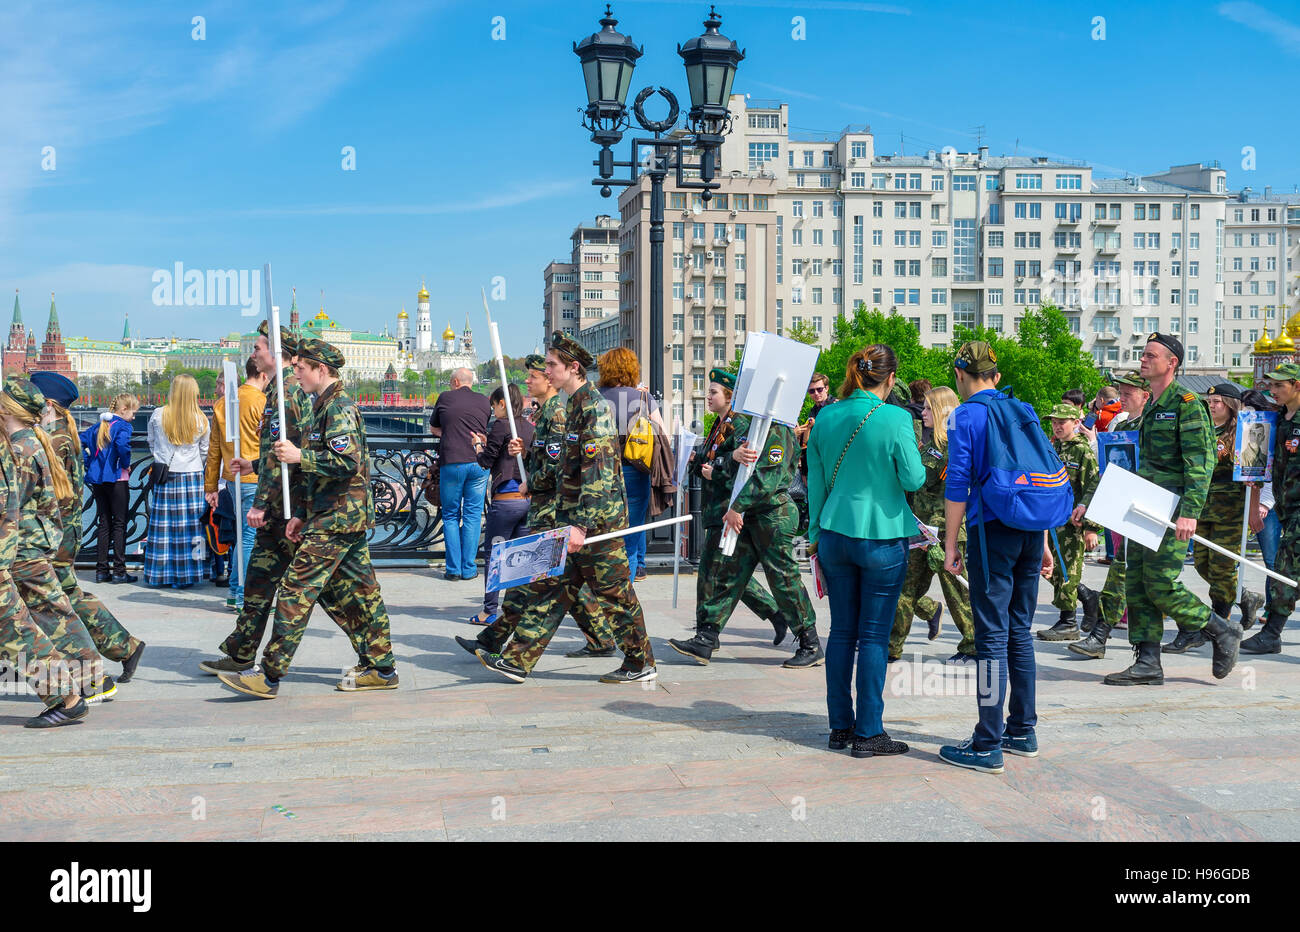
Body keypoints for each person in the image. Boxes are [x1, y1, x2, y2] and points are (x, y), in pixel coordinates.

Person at [216, 338, 398, 698]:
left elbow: (347, 462)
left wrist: (300, 456)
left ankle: (268, 675)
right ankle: (382, 667)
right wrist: (300, 513)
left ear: (322, 370)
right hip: (333, 514)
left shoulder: (339, 408)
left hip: (339, 517)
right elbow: (320, 470)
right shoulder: (321, 406)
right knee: (362, 594)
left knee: (294, 592)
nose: (295, 373)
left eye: (302, 368)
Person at [475, 331, 655, 685]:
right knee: (549, 588)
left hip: (597, 525)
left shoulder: (593, 409)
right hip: (573, 519)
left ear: (573, 368)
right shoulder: (573, 406)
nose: (547, 371)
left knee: (616, 595)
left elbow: (597, 474)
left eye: (552, 365)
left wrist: (582, 526)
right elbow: (568, 466)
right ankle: (516, 660)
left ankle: (640, 662)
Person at [200, 324, 368, 675]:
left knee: (318, 593)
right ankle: (242, 650)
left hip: (296, 509)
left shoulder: (289, 394)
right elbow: (281, 453)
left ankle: (374, 660)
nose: (254, 353)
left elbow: (296, 456)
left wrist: (261, 503)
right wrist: (254, 463)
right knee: (260, 582)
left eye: (259, 347)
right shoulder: (284, 391)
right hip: (295, 507)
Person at [939, 341, 1055, 774]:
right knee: (1019, 633)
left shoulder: (965, 415)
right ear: (997, 376)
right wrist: (1043, 539)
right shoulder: (1021, 408)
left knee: (990, 638)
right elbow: (1037, 474)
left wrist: (951, 544)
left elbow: (958, 485)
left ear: (959, 375)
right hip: (1029, 527)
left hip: (992, 532)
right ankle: (1022, 730)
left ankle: (987, 743)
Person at [1103, 333, 1241, 686]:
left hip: (1170, 507)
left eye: (1151, 355)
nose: (1143, 360)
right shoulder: (1152, 404)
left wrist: (1190, 512)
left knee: (1161, 584)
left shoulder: (1187, 403)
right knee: (1136, 583)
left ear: (1172, 363)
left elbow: (1201, 461)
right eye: (1143, 354)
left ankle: (1221, 629)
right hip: (1143, 503)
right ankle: (1148, 660)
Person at [455, 354, 615, 659]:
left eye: (534, 376)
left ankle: (507, 649)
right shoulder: (543, 413)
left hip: (552, 510)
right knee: (557, 583)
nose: (527, 382)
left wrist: (532, 482)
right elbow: (545, 460)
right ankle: (599, 638)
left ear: (549, 379)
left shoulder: (556, 414)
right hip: (543, 509)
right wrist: (525, 454)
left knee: (534, 582)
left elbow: (558, 468)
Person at [806, 345, 923, 758]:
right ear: (890, 380)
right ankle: (869, 731)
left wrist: (815, 533)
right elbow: (914, 477)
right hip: (881, 534)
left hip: (834, 532)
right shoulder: (896, 417)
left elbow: (816, 483)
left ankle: (839, 726)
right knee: (873, 637)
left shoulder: (826, 417)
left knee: (841, 632)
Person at [1, 378, 115, 705]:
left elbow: (13, 501)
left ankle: (85, 685)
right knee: (54, 612)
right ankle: (91, 681)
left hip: (22, 545)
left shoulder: (20, 449)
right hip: (34, 541)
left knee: (45, 617)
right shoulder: (34, 440)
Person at [668, 368, 791, 664]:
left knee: (718, 574)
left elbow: (740, 466)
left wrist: (718, 464)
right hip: (715, 509)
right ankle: (717, 631)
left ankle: (706, 636)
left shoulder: (740, 426)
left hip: (729, 509)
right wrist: (704, 464)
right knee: (721, 574)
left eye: (713, 392)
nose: (708, 397)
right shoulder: (717, 425)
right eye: (708, 392)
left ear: (730, 396)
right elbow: (703, 463)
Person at [33, 371, 145, 684]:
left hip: (53, 532)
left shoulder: (52, 438)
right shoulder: (60, 433)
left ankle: (88, 669)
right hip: (61, 530)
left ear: (48, 404)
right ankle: (124, 648)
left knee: (55, 599)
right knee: (66, 593)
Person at [0, 413, 89, 729]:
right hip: (20, 549)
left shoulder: (16, 447)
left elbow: (7, 509)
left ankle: (68, 697)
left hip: (15, 552)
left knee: (14, 629)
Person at [1165, 382, 1260, 652]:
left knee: (1222, 569)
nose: (1212, 404)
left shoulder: (1245, 432)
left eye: (1218, 400)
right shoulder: (1202, 430)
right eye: (1210, 400)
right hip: (1203, 509)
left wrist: (1253, 508)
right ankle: (1243, 596)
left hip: (1230, 511)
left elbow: (1255, 476)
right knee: (1201, 564)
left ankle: (1221, 621)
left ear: (1231, 405)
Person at [889, 385, 976, 665]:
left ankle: (974, 645)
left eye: (928, 408)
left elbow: (950, 492)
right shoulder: (928, 445)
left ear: (941, 411)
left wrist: (939, 536)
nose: (923, 413)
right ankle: (891, 647)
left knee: (958, 595)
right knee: (904, 589)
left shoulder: (954, 447)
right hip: (920, 531)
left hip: (946, 533)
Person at [1070, 372, 1150, 659]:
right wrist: (1088, 503)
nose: (1122, 396)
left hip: (1151, 510)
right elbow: (1107, 468)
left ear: (1146, 395)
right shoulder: (1121, 423)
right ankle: (1103, 636)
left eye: (1129, 392)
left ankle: (1214, 624)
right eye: (1121, 391)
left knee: (1155, 582)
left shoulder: (1154, 425)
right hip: (1126, 508)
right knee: (1124, 572)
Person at [1241, 361, 1300, 654]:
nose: (1272, 391)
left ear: (1296, 386)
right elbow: (1259, 466)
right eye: (1271, 385)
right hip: (1286, 508)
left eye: (1280, 385)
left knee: (1286, 570)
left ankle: (1272, 632)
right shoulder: (1276, 420)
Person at [468, 382, 535, 626]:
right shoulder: (528, 427)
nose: (493, 411)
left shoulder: (501, 425)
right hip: (526, 501)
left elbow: (486, 461)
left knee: (495, 555)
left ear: (502, 403)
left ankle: (489, 610)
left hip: (505, 503)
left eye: (493, 405)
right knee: (521, 557)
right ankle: (518, 610)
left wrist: (477, 446)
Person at [597, 347, 665, 581]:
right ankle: (625, 603)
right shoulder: (642, 398)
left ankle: (602, 598)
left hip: (599, 475)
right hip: (636, 472)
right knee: (631, 539)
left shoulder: (593, 398)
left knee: (601, 539)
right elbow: (662, 435)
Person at [205, 357, 268, 611]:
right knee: (250, 537)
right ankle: (243, 594)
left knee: (241, 537)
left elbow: (214, 450)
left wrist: (210, 486)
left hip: (231, 478)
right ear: (263, 375)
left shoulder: (222, 404)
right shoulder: (263, 402)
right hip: (255, 476)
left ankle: (234, 590)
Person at [1037, 403, 1101, 641]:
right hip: (1053, 522)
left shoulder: (1082, 452)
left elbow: (1093, 488)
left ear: (1076, 423)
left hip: (1073, 524)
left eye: (1062, 422)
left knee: (1067, 570)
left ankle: (1068, 622)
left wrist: (1091, 527)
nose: (1056, 426)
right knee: (1052, 571)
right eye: (1053, 422)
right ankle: (1087, 597)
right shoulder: (1053, 448)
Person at [144, 374, 210, 588]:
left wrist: (162, 457)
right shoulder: (200, 419)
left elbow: (151, 443)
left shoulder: (158, 414)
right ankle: (188, 575)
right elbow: (205, 451)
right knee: (190, 528)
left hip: (165, 476)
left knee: (164, 528)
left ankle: (160, 574)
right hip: (191, 477)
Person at [430, 367, 491, 581]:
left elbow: (433, 428)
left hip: (452, 462)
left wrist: (450, 433)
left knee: (450, 515)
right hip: (479, 462)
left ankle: (453, 570)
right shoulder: (484, 400)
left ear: (455, 382)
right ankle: (469, 568)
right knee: (473, 515)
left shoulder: (445, 397)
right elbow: (484, 429)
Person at [81, 392, 138, 583]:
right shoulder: (123, 425)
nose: (134, 417)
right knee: (120, 523)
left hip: (97, 480)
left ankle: (101, 570)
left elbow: (79, 444)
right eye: (133, 412)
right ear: (123, 410)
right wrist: (125, 463)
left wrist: (89, 463)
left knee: (104, 523)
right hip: (117, 479)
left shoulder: (97, 426)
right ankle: (119, 571)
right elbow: (123, 445)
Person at [796, 372, 836, 476]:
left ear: (826, 388)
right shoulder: (813, 410)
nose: (816, 393)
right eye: (812, 391)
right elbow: (806, 442)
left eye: (819, 389)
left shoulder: (836, 406)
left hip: (831, 459)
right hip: (816, 461)